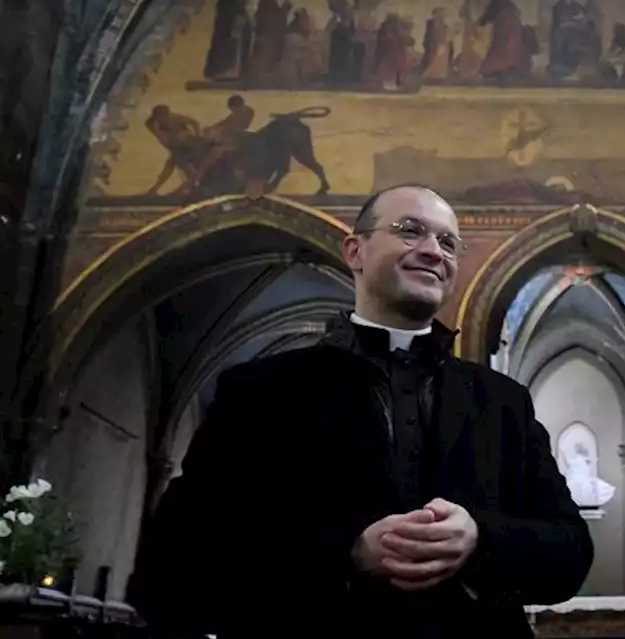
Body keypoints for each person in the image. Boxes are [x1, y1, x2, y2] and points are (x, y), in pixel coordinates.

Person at [127, 184, 593, 637]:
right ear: (356, 251)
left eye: (448, 242)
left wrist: (480, 541)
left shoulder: (503, 400)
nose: (434, 251)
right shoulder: (260, 391)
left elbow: (570, 551)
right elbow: (169, 574)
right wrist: (347, 554)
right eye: (410, 230)